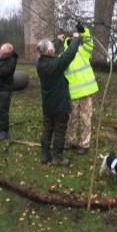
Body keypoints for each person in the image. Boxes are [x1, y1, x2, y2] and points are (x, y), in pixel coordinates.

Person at [36, 32, 80, 166]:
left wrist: (59, 41)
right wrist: (76, 38)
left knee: (48, 128)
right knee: (60, 130)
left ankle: (45, 155)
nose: (54, 50)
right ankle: (58, 157)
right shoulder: (55, 65)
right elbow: (69, 54)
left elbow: (48, 51)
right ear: (50, 51)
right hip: (60, 105)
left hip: (47, 105)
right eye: (53, 48)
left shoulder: (40, 64)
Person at [64, 22, 98, 155]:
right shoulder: (64, 54)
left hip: (86, 93)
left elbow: (89, 42)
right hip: (72, 94)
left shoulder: (82, 50)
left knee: (85, 118)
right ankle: (71, 141)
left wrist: (84, 32)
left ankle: (84, 144)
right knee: (71, 119)